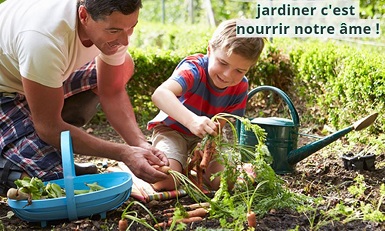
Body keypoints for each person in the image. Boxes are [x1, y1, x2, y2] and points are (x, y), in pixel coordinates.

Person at [0, 0, 169, 196]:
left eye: (131, 27)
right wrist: (123, 153)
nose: (125, 40)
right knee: (49, 184)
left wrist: (140, 145)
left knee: (124, 65)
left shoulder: (115, 26)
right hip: (6, 92)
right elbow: (48, 126)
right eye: (114, 31)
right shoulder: (44, 38)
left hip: (36, 76)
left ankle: (37, 140)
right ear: (83, 16)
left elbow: (111, 92)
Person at [147, 19, 266, 191]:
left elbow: (220, 125)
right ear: (209, 50)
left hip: (207, 137)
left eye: (239, 71)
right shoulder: (193, 69)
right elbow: (160, 94)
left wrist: (206, 146)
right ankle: (160, 160)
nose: (227, 75)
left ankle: (197, 170)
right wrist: (191, 121)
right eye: (223, 63)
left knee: (224, 183)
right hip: (172, 130)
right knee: (164, 181)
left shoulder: (241, 87)